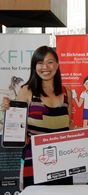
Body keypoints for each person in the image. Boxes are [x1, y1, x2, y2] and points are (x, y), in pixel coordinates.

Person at [2, 46, 73, 188]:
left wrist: (85, 133)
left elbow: (69, 125)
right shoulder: (27, 90)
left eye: (50, 62)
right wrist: (6, 110)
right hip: (35, 161)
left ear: (57, 65)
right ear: (34, 66)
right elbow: (14, 125)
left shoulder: (67, 92)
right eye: (40, 63)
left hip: (63, 160)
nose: (45, 67)